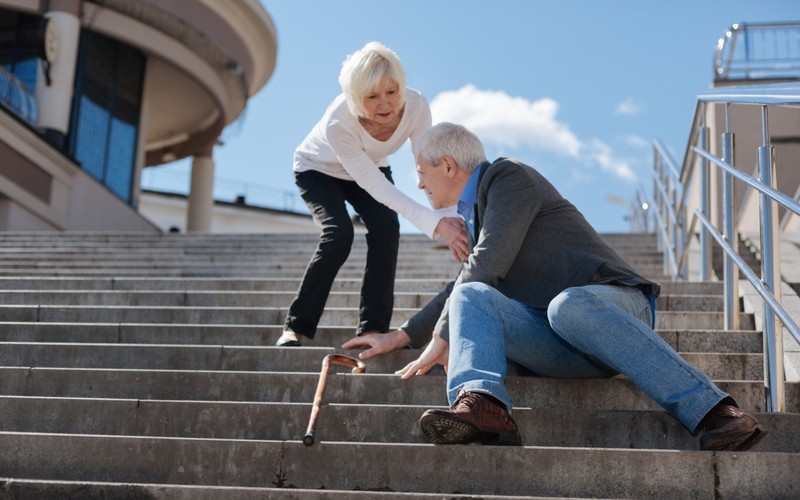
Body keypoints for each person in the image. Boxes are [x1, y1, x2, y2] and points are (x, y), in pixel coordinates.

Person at [343, 122, 764, 451]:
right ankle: (484, 404)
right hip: (561, 342)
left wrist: (440, 335)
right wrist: (402, 335)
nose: (419, 184)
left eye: (421, 172)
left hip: (613, 309)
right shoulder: (478, 216)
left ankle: (713, 410)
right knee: (471, 295)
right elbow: (466, 281)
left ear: (448, 166)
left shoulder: (508, 178)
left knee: (565, 306)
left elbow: (487, 261)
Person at [277, 42, 468, 347]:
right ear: (355, 97)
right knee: (339, 233)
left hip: (370, 166)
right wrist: (433, 225)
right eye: (372, 97)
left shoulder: (417, 106)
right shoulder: (339, 121)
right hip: (318, 169)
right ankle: (295, 326)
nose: (386, 105)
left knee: (386, 226)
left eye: (392, 92)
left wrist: (451, 221)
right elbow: (378, 188)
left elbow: (428, 170)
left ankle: (372, 329)